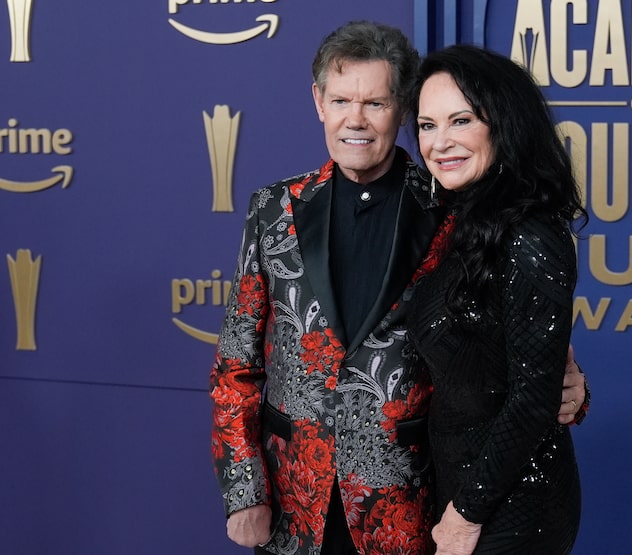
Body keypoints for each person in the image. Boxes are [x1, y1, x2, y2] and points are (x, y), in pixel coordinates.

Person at [209, 22, 589, 555]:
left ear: (402, 110)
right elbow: (235, 362)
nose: (355, 121)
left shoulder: (456, 208)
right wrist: (243, 488)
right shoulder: (272, 209)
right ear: (318, 102)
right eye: (341, 100)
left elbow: (507, 355)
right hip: (293, 499)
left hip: (409, 506)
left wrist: (572, 388)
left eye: (377, 103)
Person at [406, 44, 588, 555]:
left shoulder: (531, 233)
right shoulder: (465, 221)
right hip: (466, 492)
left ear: (504, 124)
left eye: (460, 120)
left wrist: (465, 517)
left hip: (510, 508)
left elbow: (532, 396)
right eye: (426, 125)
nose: (439, 143)